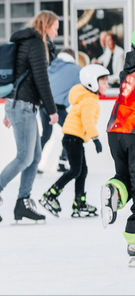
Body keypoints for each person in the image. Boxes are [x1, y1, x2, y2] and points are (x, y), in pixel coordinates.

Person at [0, 10, 60, 224]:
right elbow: (41, 80)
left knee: (35, 157)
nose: (56, 34)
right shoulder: (37, 44)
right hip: (22, 106)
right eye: (55, 29)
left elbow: (18, 77)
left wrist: (8, 108)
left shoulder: (26, 42)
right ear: (47, 25)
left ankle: (22, 202)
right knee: (24, 157)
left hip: (19, 104)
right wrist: (51, 110)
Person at [38, 64, 108, 218]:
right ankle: (50, 195)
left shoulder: (88, 97)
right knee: (76, 170)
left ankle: (79, 203)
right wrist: (96, 139)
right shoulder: (90, 100)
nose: (107, 85)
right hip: (73, 139)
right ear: (93, 83)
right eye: (104, 82)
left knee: (82, 171)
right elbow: (87, 121)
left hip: (73, 139)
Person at [101, 30, 135, 265]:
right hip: (134, 132)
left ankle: (113, 191)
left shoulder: (128, 69)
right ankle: (134, 242)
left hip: (115, 130)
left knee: (124, 177)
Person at [41, 48, 81, 172]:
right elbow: (84, 86)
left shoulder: (52, 67)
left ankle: (33, 161)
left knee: (46, 134)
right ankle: (63, 161)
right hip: (56, 106)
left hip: (42, 105)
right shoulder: (76, 70)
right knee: (72, 130)